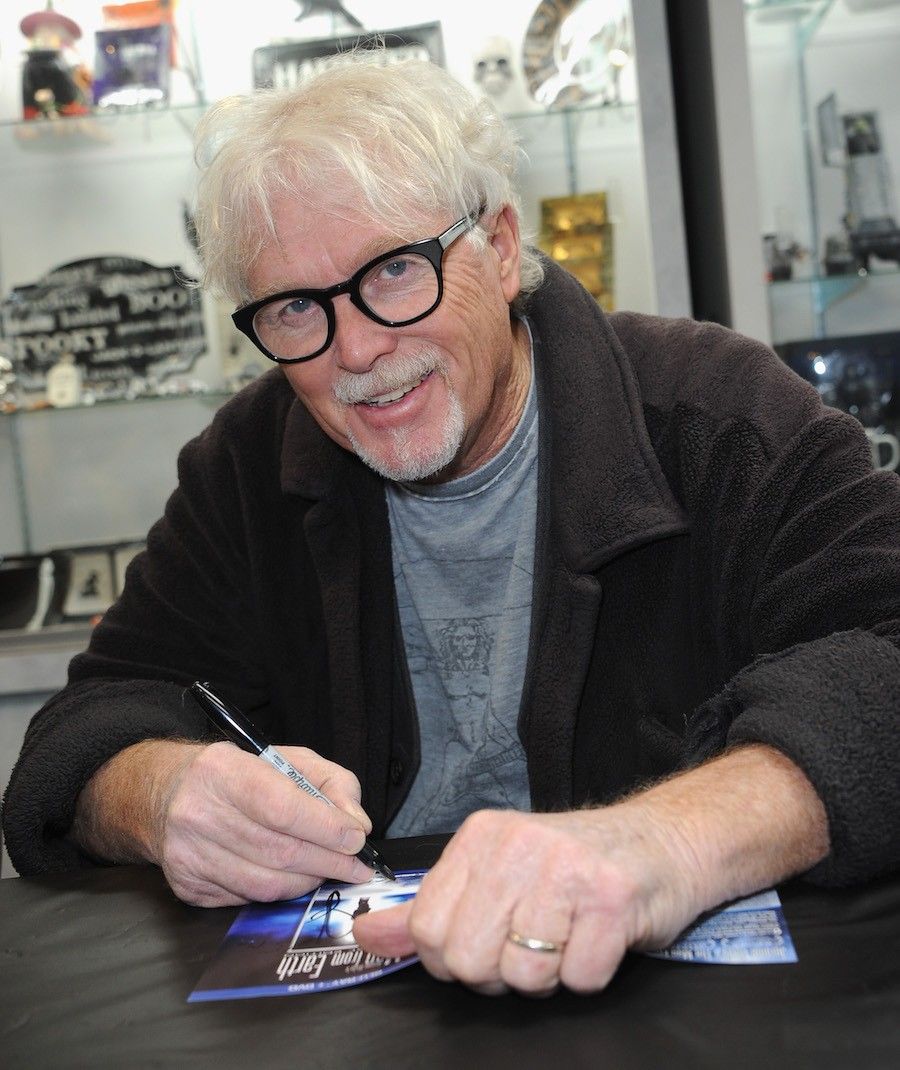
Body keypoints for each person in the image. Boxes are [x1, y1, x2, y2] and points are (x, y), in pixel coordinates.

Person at [3, 55, 900, 998]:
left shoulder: (720, 417)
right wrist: (163, 795)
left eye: (396, 271)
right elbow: (83, 733)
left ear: (502, 248)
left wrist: (665, 840)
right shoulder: (250, 460)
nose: (356, 350)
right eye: (296, 307)